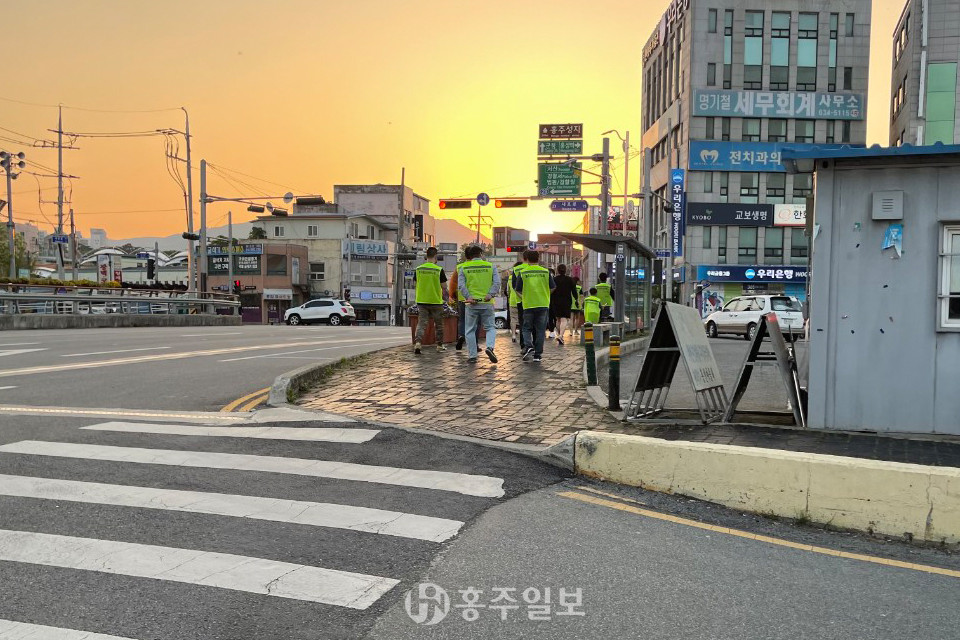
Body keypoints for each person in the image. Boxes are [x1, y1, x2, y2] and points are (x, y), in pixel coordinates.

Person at [457, 245, 500, 364]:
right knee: (490, 327)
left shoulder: (464, 267)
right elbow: (497, 283)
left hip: (471, 304)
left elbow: (461, 285)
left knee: (470, 330)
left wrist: (468, 297)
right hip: (487, 302)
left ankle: (472, 356)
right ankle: (489, 347)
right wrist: (490, 294)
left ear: (470, 256)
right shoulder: (491, 266)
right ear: (481, 254)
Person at [513, 250, 555, 363]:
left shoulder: (523, 272)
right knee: (540, 330)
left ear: (526, 259)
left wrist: (524, 297)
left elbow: (517, 289)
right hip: (543, 304)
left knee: (526, 328)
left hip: (528, 304)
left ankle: (529, 346)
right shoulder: (546, 272)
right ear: (538, 258)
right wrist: (546, 294)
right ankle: (537, 355)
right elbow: (553, 287)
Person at [412, 247, 448, 355]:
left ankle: (418, 343)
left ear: (426, 256)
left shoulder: (418, 269)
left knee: (421, 323)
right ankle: (439, 345)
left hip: (422, 301)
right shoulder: (439, 269)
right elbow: (444, 286)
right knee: (439, 324)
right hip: (435, 301)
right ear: (435, 257)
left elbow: (414, 284)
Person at [449, 256, 479, 351]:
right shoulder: (478, 266)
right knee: (475, 321)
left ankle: (461, 335)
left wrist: (452, 294)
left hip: (462, 298)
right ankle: (475, 344)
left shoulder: (459, 267)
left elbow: (453, 283)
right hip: (475, 298)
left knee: (462, 319)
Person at [549, 264, 575, 345]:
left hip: (555, 301)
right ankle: (560, 336)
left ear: (557, 270)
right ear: (565, 270)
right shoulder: (569, 279)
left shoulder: (554, 279)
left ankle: (560, 335)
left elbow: (551, 290)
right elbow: (574, 291)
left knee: (558, 319)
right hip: (566, 301)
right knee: (564, 319)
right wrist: (576, 299)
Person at [509, 258, 528, 350]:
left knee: (515, 319)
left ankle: (513, 335)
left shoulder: (512, 276)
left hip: (515, 300)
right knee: (528, 321)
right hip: (529, 300)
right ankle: (530, 342)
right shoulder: (530, 269)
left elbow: (509, 290)